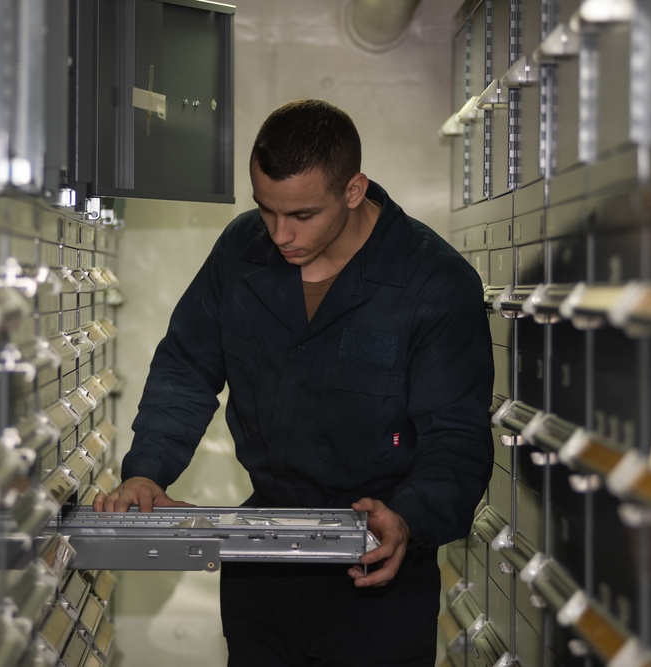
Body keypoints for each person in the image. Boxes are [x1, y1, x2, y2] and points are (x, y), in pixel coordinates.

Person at [93, 99, 494, 666]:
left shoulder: (432, 282)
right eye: (266, 210)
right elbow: (186, 368)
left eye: (303, 215)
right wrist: (145, 471)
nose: (281, 235)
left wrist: (411, 519)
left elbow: (456, 433)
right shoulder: (241, 250)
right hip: (264, 562)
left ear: (353, 190)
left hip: (375, 570)